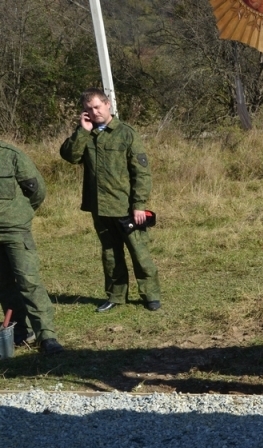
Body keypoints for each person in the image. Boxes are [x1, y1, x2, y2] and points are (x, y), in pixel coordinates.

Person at [60, 89, 161, 313]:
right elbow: (70, 156)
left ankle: (151, 295)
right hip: (100, 207)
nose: (94, 112)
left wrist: (139, 206)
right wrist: (82, 131)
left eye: (97, 107)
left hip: (125, 207)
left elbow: (141, 173)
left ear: (107, 105)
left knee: (139, 253)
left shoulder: (126, 133)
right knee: (110, 254)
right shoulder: (87, 134)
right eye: (88, 109)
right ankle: (116, 296)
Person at [0, 142, 63, 355]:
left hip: (15, 230)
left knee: (28, 280)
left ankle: (47, 335)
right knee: (3, 283)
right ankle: (20, 331)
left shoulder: (11, 156)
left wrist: (21, 215)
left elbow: (37, 190)